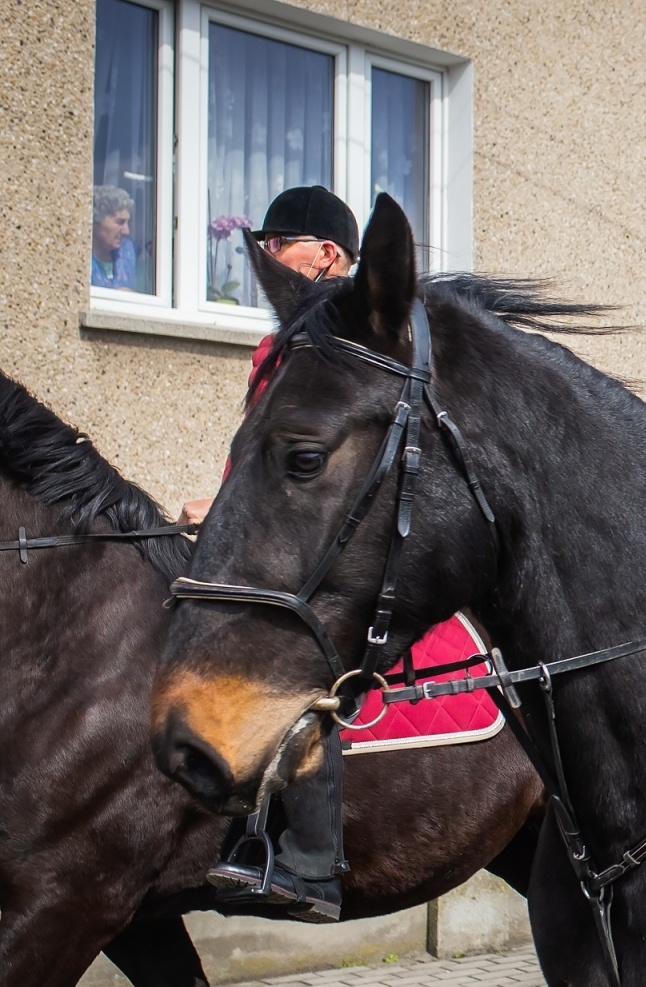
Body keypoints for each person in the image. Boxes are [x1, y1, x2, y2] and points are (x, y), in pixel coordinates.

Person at [182, 185, 362, 923]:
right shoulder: (290, 338)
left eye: (278, 242)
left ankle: (314, 863)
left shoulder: (344, 331)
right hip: (274, 535)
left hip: (332, 545)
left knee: (283, 662)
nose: (265, 257)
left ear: (324, 256)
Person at [90, 184, 139, 290]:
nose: (126, 231)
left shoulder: (128, 251)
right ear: (96, 220)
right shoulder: (81, 257)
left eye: (127, 223)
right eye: (119, 222)